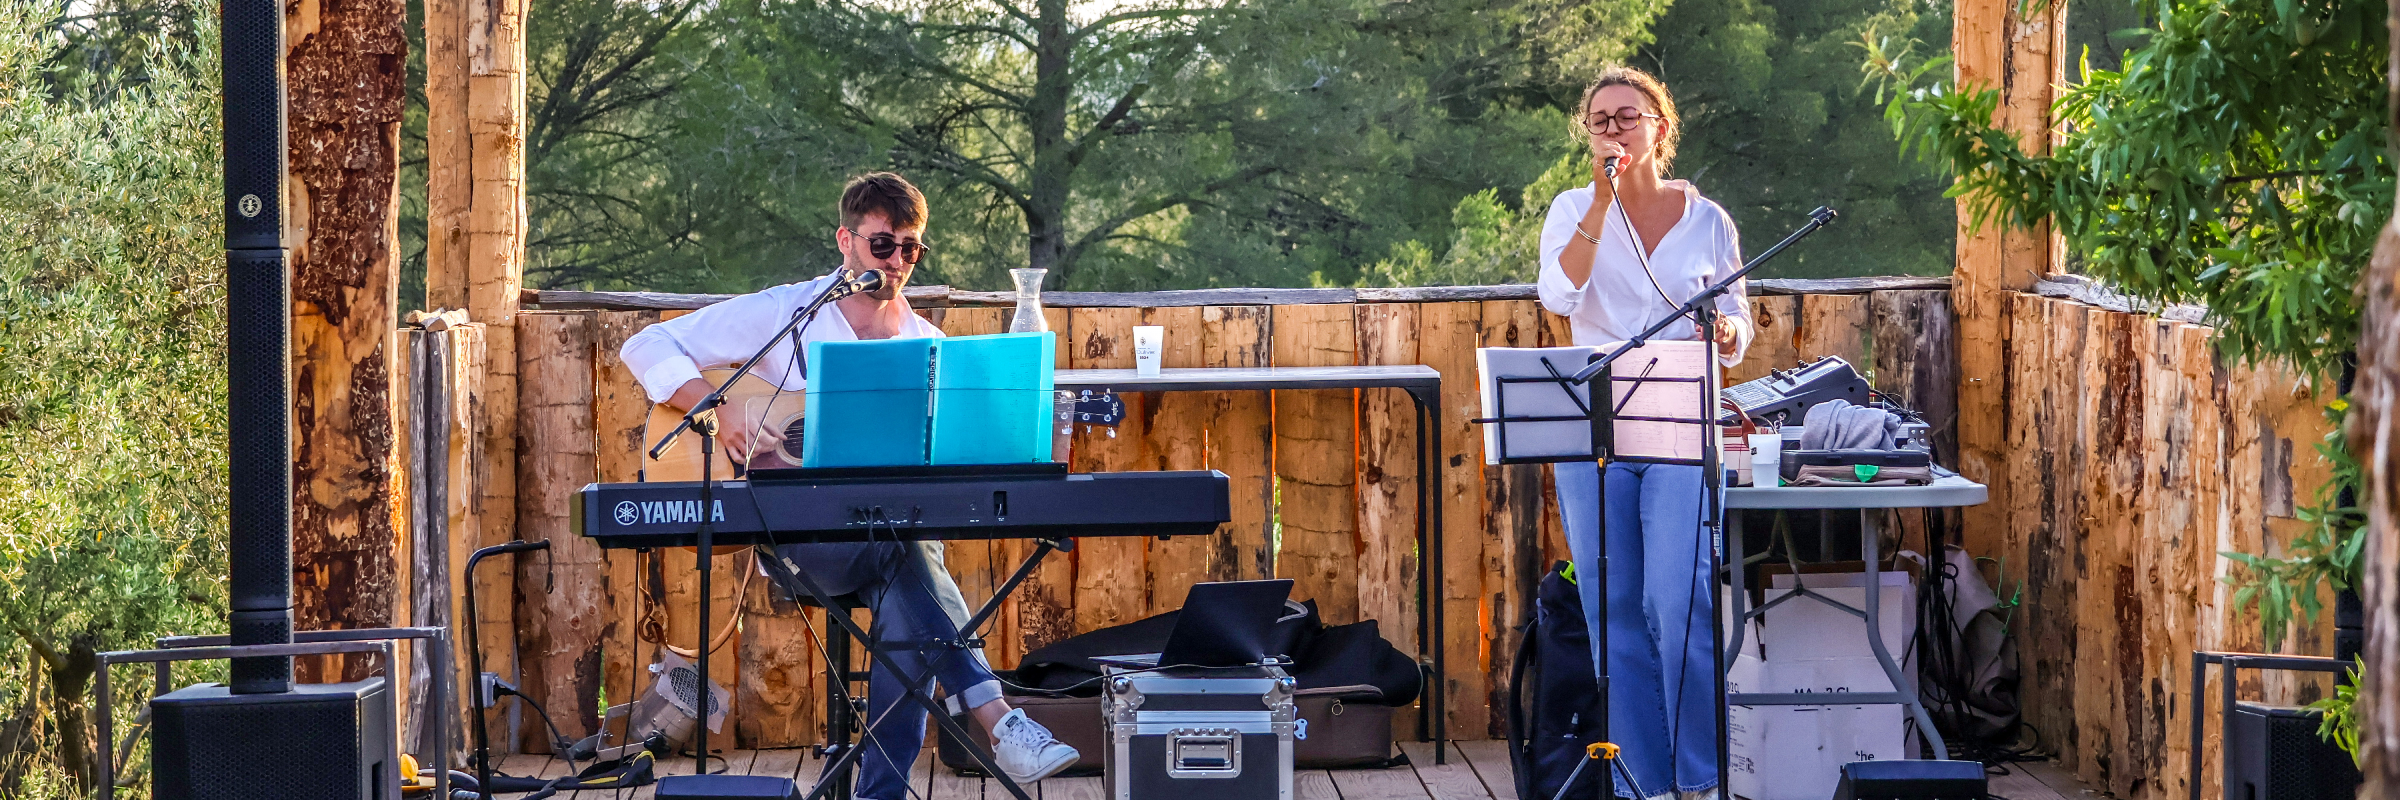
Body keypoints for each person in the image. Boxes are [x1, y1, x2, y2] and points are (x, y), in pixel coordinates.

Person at [619, 172, 1081, 797]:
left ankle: (882, 792)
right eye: (882, 245)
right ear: (846, 241)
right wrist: (716, 410)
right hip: (800, 541)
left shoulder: (928, 346)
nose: (896, 262)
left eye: (910, 249)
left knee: (904, 601)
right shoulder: (787, 312)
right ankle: (996, 719)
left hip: (893, 544)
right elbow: (648, 343)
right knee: (908, 559)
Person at [1535, 67, 1753, 800]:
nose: (1614, 131)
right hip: (1593, 433)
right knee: (1610, 606)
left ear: (1661, 125)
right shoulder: (1572, 207)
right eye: (1600, 121)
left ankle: (1698, 778)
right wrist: (1600, 203)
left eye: (1628, 117)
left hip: (1677, 430)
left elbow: (1739, 326)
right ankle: (1640, 783)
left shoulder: (1708, 219)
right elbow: (1560, 294)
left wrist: (1727, 330)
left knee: (1677, 598)